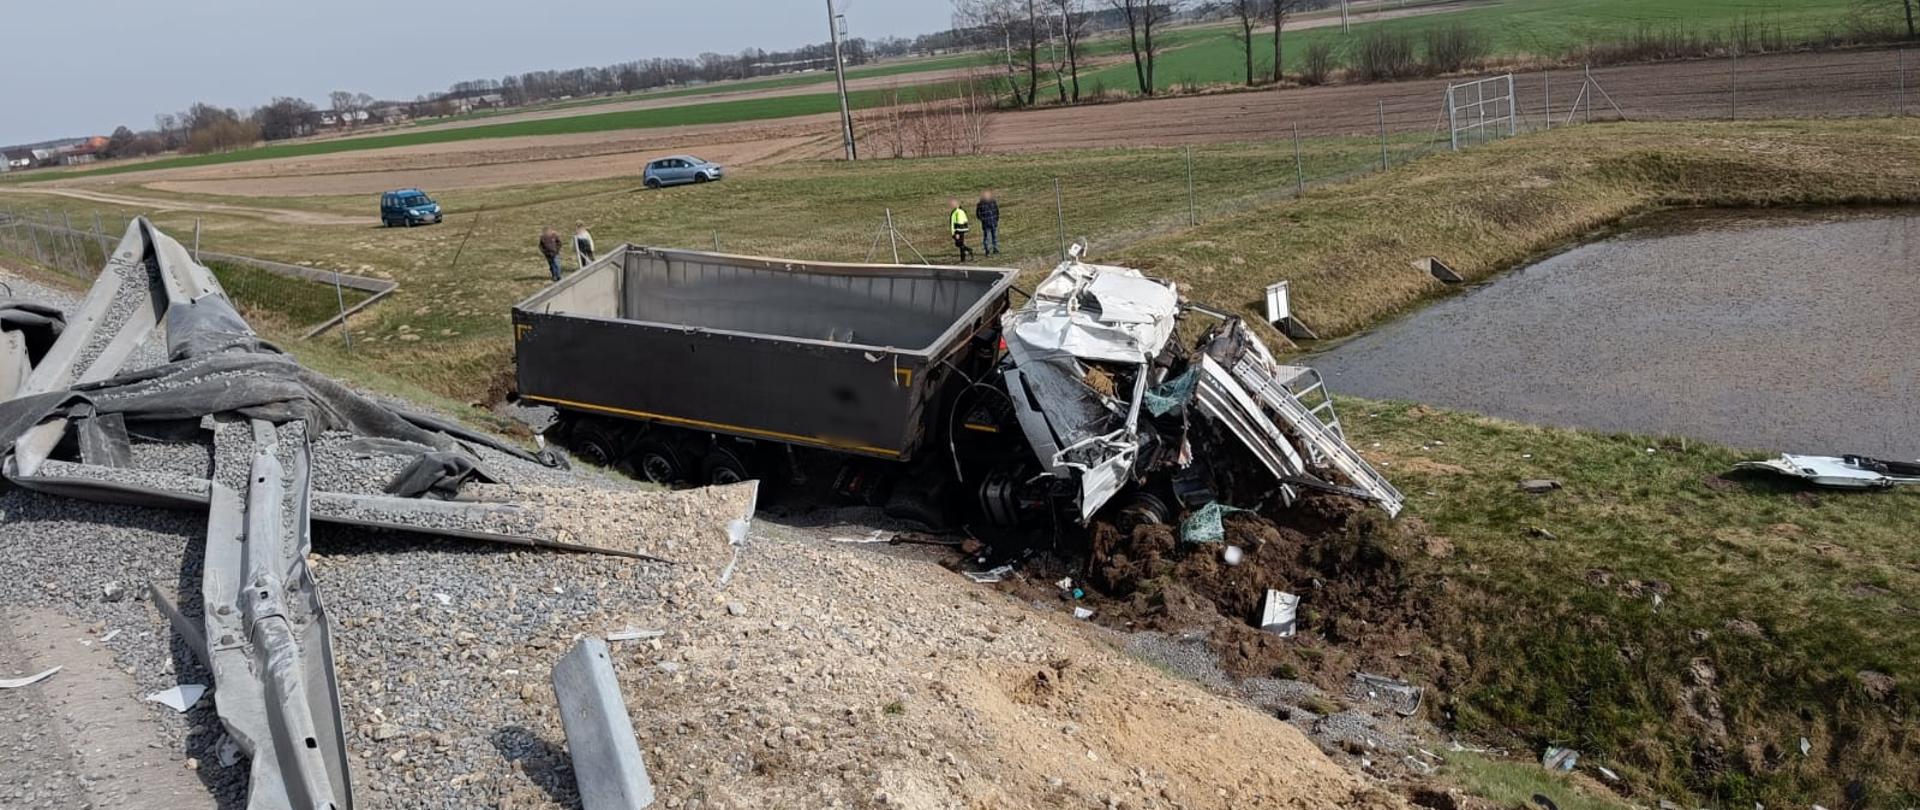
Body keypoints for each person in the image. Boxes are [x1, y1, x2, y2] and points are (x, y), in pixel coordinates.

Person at [974, 190, 1000, 256]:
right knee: (987, 238)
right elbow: (978, 214)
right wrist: (983, 220)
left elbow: (997, 211)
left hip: (993, 222)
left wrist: (996, 219)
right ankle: (987, 250)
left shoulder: (993, 202)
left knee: (995, 237)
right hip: (986, 224)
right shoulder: (980, 204)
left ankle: (995, 249)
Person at [948, 199, 973, 263]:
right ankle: (963, 257)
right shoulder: (960, 211)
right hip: (961, 230)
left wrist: (956, 232)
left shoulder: (958, 211)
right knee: (960, 244)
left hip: (958, 230)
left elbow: (959, 222)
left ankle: (967, 251)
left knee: (959, 244)